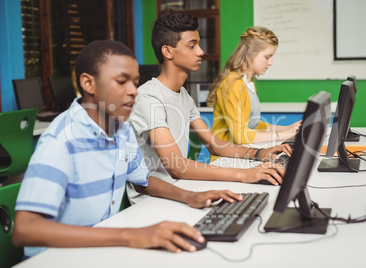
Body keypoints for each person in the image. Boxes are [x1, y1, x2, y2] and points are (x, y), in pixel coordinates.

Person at [12, 40, 243, 258]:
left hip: (98, 247)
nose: (133, 90)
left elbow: (142, 180)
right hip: (58, 258)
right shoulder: (62, 139)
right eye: (122, 81)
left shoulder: (120, 128)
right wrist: (131, 235)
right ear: (88, 83)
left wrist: (190, 196)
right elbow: (25, 230)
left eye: (135, 82)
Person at [128, 13, 291, 202]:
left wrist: (258, 154)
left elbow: (214, 144)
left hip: (181, 188)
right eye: (192, 46)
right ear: (168, 51)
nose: (201, 52)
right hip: (153, 200)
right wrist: (244, 174)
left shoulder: (183, 96)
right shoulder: (149, 97)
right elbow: (177, 166)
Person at [207, 26, 302, 162]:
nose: (271, 63)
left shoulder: (248, 83)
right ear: (250, 54)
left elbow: (254, 124)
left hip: (243, 153)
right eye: (267, 57)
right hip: (226, 159)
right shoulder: (233, 84)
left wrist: (288, 128)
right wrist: (285, 135)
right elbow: (240, 135)